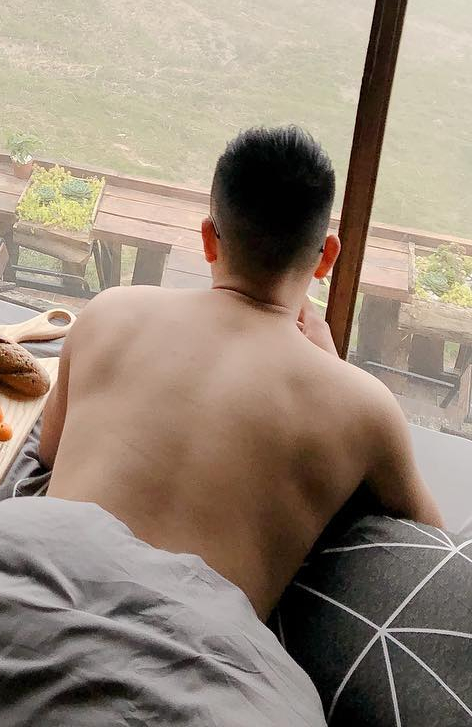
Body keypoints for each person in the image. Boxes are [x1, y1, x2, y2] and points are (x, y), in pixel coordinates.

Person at [40, 125, 443, 621]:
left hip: (39, 590)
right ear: (328, 257)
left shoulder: (108, 312)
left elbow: (50, 450)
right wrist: (331, 371)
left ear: (209, 239)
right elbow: (431, 543)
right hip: (191, 656)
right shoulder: (363, 405)